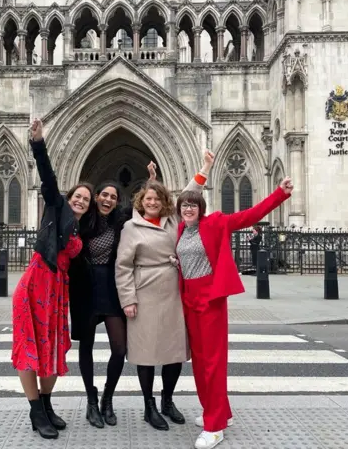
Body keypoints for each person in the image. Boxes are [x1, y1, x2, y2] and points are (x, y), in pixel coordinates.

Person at [175, 176, 293, 449]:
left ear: (200, 208)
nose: (188, 209)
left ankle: (214, 428)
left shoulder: (215, 223)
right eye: (184, 206)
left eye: (193, 205)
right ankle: (218, 413)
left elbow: (250, 215)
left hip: (210, 300)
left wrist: (280, 194)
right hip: (189, 300)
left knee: (213, 364)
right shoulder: (181, 230)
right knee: (201, 363)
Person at [115, 151, 215, 431]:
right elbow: (122, 267)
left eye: (157, 199)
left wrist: (205, 167)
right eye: (148, 199)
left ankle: (167, 401)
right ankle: (149, 406)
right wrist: (128, 301)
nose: (153, 203)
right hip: (144, 293)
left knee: (173, 352)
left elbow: (190, 193)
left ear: (163, 202)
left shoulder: (173, 221)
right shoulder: (130, 228)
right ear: (140, 202)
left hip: (173, 293)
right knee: (146, 353)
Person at [11, 118, 97, 440]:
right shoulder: (56, 206)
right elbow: (48, 178)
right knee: (30, 348)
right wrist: (38, 144)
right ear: (69, 196)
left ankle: (46, 406)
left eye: (86, 200)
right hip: (37, 282)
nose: (81, 200)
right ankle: (35, 411)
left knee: (54, 348)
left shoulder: (80, 228)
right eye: (78, 195)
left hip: (58, 291)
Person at [69, 163, 157, 428]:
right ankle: (91, 401)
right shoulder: (82, 220)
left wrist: (151, 181)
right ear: (96, 198)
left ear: (117, 202)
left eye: (113, 197)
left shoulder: (121, 221)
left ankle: (107, 397)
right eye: (104, 195)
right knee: (85, 347)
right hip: (84, 287)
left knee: (120, 348)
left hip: (110, 285)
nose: (108, 199)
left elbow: (145, 206)